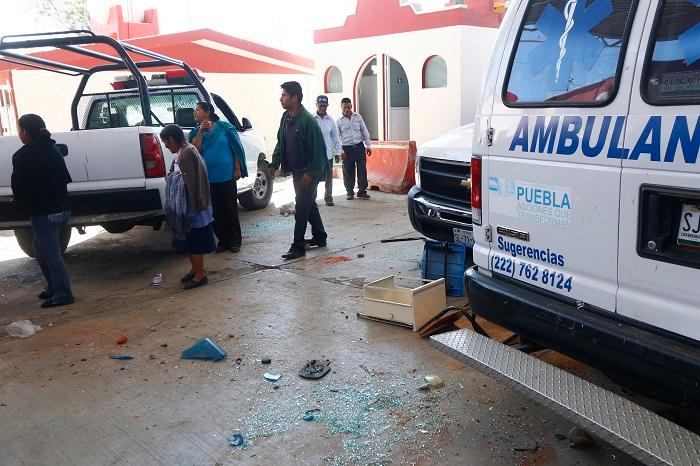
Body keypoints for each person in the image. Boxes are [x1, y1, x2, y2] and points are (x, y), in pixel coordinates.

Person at [11, 114, 74, 308]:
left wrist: (20, 203)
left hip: (43, 213)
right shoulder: (52, 148)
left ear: (26, 133)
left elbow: (19, 187)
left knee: (51, 254)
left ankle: (63, 293)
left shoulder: (23, 156)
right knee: (40, 249)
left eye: (19, 129)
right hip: (62, 210)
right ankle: (53, 288)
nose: (18, 133)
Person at [268, 81, 328, 260]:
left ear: (295, 97)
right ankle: (320, 237)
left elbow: (320, 151)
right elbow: (281, 141)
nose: (281, 99)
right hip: (295, 172)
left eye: (284, 95)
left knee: (301, 208)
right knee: (309, 205)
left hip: (308, 173)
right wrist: (274, 163)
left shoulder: (308, 121)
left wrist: (310, 174)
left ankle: (297, 246)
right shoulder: (285, 117)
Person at [161, 124, 216, 289]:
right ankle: (195, 269)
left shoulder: (187, 153)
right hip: (186, 207)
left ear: (172, 139)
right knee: (186, 241)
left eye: (166, 143)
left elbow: (190, 182)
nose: (166, 146)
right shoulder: (182, 153)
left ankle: (200, 274)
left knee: (196, 242)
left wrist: (171, 178)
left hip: (194, 206)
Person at [189, 101, 247, 253]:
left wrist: (236, 168)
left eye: (198, 110)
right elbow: (194, 150)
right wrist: (201, 131)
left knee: (230, 209)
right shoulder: (195, 132)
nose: (195, 113)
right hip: (208, 179)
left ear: (207, 112)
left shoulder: (225, 128)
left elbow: (236, 149)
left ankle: (235, 241)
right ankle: (223, 241)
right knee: (215, 212)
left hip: (226, 176)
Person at [336, 97, 372, 200]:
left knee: (362, 169)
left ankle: (361, 191)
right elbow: (337, 138)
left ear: (351, 106)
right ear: (341, 108)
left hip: (359, 147)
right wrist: (340, 151)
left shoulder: (358, 117)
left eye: (348, 107)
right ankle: (349, 192)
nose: (347, 109)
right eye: (344, 107)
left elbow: (364, 131)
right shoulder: (338, 121)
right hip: (347, 149)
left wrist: (368, 145)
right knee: (348, 171)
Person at [313, 95, 342, 206]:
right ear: (316, 105)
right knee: (314, 178)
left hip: (328, 155)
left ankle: (328, 197)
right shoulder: (312, 119)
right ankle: (313, 199)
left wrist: (338, 152)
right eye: (320, 106)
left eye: (324, 106)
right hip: (315, 155)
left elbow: (335, 138)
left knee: (328, 178)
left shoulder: (330, 120)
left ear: (327, 106)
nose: (322, 108)